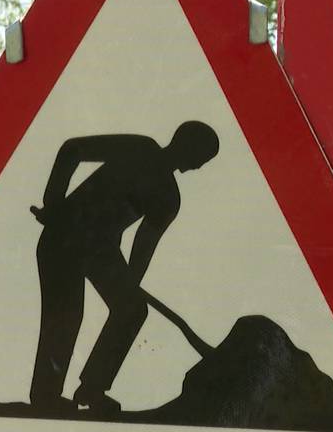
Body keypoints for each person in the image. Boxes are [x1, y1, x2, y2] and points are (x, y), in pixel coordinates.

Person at [29, 121, 219, 414]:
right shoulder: (139, 149)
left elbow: (143, 247)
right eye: (202, 157)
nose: (200, 166)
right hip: (63, 236)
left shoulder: (169, 198)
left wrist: (129, 284)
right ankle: (46, 397)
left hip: (99, 250)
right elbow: (72, 150)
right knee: (66, 315)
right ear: (187, 146)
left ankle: (93, 388)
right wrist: (53, 202)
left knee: (131, 309)